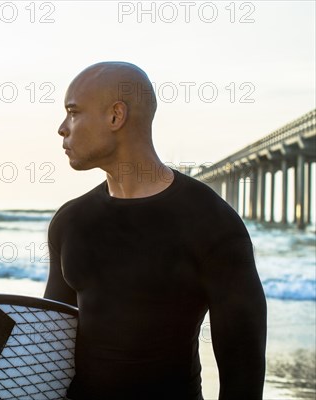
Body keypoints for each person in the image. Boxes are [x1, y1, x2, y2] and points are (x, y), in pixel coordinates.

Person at [43, 62, 267, 399]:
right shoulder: (70, 221)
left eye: (73, 112)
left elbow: (243, 370)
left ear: (116, 116)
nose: (62, 128)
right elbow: (49, 345)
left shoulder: (211, 224)